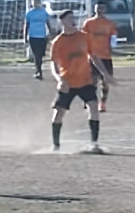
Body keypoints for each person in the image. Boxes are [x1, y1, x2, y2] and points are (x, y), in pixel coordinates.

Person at [49, 10, 115, 152]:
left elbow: (94, 57)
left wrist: (105, 74)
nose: (73, 20)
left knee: (93, 106)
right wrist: (60, 79)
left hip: (85, 80)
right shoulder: (58, 42)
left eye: (74, 18)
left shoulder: (84, 37)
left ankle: (94, 143)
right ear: (62, 22)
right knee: (59, 113)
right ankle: (56, 145)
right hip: (68, 82)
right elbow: (54, 64)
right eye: (69, 18)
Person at [82, 1, 119, 112]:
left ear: (105, 10)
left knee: (105, 82)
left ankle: (102, 103)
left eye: (102, 8)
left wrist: (113, 46)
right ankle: (89, 101)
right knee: (92, 81)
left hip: (106, 57)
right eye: (98, 8)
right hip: (92, 56)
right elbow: (83, 36)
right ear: (95, 9)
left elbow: (113, 37)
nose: (100, 10)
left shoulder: (109, 24)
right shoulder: (88, 23)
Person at [24, 0, 51, 79]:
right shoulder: (29, 13)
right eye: (33, 2)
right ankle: (38, 71)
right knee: (37, 54)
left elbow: (48, 23)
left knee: (41, 54)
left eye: (37, 2)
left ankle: (38, 69)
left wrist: (50, 33)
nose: (35, 3)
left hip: (42, 36)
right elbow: (26, 25)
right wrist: (25, 37)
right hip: (33, 36)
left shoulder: (43, 12)